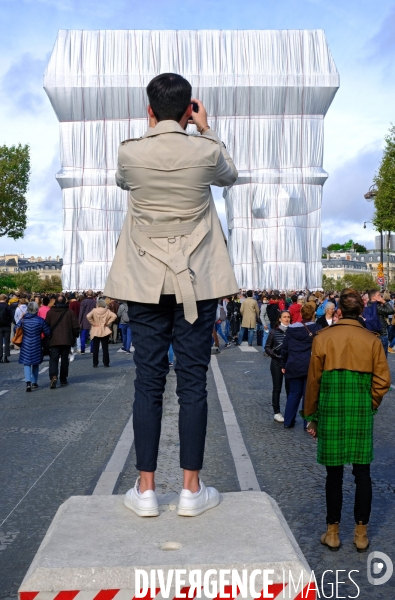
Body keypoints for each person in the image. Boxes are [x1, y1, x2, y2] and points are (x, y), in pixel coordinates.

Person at [103, 72, 238, 518]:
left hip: (144, 281)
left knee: (148, 381)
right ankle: (190, 490)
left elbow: (125, 184)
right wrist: (205, 129)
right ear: (188, 110)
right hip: (196, 283)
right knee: (194, 383)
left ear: (148, 110)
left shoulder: (130, 153)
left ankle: (144, 490)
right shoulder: (206, 151)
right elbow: (230, 175)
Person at [304, 289, 391, 552]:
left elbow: (313, 382)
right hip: (360, 411)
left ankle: (332, 532)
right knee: (362, 474)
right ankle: (360, 534)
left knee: (334, 475)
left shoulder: (323, 338)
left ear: (339, 311)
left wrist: (311, 417)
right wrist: (370, 404)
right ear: (361, 311)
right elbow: (382, 382)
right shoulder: (373, 340)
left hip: (330, 410)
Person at [281, 303, 321, 428]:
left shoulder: (291, 329)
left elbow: (285, 348)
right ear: (313, 314)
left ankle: (288, 421)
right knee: (307, 395)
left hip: (293, 363)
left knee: (293, 394)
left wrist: (283, 363)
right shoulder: (316, 328)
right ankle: (307, 423)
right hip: (309, 364)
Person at [45, 295, 80, 388]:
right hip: (66, 339)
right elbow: (75, 326)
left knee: (53, 359)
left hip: (54, 339)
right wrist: (75, 335)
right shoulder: (69, 312)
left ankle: (53, 376)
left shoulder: (50, 312)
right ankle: (63, 379)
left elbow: (46, 325)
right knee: (64, 359)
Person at [17, 301, 51, 392]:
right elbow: (47, 332)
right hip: (37, 342)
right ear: (37, 310)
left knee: (27, 363)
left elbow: (16, 328)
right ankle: (34, 382)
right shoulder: (40, 320)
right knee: (36, 363)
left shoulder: (23, 320)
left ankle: (27, 382)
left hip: (25, 343)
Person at [265, 310, 291, 423]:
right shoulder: (273, 332)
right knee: (277, 388)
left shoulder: (293, 331)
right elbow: (267, 347)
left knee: (290, 389)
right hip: (276, 363)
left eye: (288, 317)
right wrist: (275, 356)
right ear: (280, 319)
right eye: (284, 317)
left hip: (289, 363)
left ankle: (289, 412)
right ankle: (277, 412)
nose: (287, 319)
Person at [87, 298, 117, 367]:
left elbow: (88, 316)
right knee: (105, 348)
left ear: (97, 304)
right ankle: (106, 363)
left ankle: (95, 363)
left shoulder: (94, 310)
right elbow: (114, 316)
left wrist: (93, 323)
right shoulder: (107, 310)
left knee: (95, 348)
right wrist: (108, 322)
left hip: (96, 329)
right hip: (104, 329)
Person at [366, 289, 394, 357]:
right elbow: (391, 311)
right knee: (383, 359)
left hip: (372, 334)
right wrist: (383, 301)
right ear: (373, 297)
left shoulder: (368, 305)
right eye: (379, 295)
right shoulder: (376, 307)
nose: (381, 297)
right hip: (381, 334)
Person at [0, 294, 14, 363]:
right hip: (7, 326)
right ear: (5, 299)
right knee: (7, 342)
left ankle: (0, 357)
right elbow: (12, 315)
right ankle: (6, 356)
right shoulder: (8, 307)